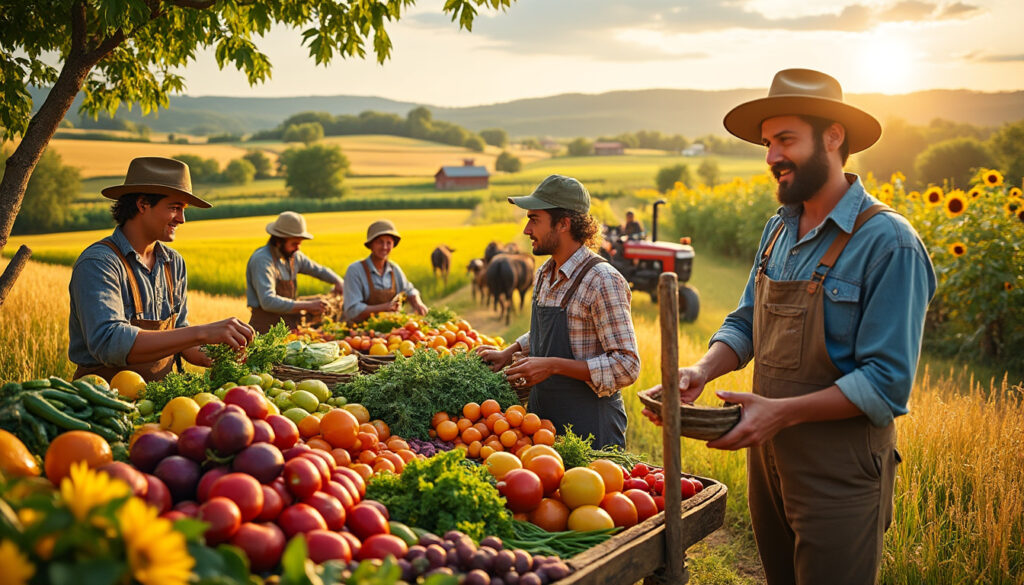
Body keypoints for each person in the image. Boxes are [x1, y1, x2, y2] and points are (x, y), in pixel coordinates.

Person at [643, 69, 936, 584]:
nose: (771, 156)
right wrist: (702, 370)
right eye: (767, 143)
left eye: (785, 140)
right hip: (768, 459)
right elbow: (746, 321)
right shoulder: (778, 229)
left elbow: (887, 383)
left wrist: (780, 413)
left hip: (839, 470)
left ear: (833, 137)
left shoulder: (889, 243)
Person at [477, 175, 640, 449]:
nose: (527, 230)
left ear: (564, 224)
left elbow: (627, 366)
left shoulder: (603, 280)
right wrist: (510, 351)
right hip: (543, 425)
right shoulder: (545, 273)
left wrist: (552, 366)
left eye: (534, 219)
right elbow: (551, 332)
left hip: (591, 429)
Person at [69, 157, 254, 382]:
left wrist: (220, 355)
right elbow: (109, 342)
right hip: (103, 396)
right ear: (143, 204)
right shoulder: (99, 263)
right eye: (175, 208)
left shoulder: (173, 262)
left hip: (161, 396)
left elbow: (180, 334)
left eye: (183, 210)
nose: (182, 219)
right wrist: (202, 332)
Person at [245, 211, 344, 333]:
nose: (298, 248)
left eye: (299, 243)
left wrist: (338, 281)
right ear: (279, 241)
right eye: (294, 243)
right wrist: (308, 305)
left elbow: (318, 270)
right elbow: (268, 301)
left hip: (289, 328)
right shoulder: (263, 260)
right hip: (265, 330)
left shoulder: (294, 256)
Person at [342, 219, 428, 323]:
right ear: (371, 244)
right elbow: (353, 311)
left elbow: (409, 290)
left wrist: (417, 302)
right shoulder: (355, 270)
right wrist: (384, 308)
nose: (385, 247)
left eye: (389, 243)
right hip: (360, 330)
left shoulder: (394, 269)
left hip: (392, 329)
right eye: (380, 242)